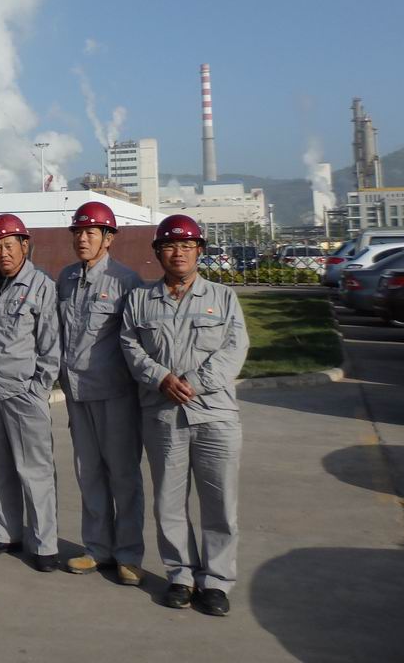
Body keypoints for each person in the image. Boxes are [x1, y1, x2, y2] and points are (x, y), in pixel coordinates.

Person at [120, 214, 248, 617]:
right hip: (163, 416)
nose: (179, 253)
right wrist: (160, 378)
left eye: (187, 246)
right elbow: (130, 346)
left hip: (214, 415)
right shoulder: (140, 300)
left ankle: (216, 581)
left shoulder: (222, 297)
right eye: (170, 246)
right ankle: (181, 576)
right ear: (158, 252)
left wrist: (194, 382)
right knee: (169, 502)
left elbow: (234, 349)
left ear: (199, 251)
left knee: (219, 503)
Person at [55, 201, 146, 583]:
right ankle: (97, 548)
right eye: (78, 232)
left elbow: (136, 340)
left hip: (115, 394)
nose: (83, 239)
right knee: (88, 473)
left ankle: (128, 554)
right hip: (77, 394)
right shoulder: (66, 279)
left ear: (108, 238)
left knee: (123, 476)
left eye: (91, 232)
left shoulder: (126, 282)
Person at [0, 213, 61, 571]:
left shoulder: (41, 286)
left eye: (9, 245)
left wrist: (38, 389)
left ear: (24, 245)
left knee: (35, 471)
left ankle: (44, 545)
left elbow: (50, 346)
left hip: (24, 393)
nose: (3, 253)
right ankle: (4, 534)